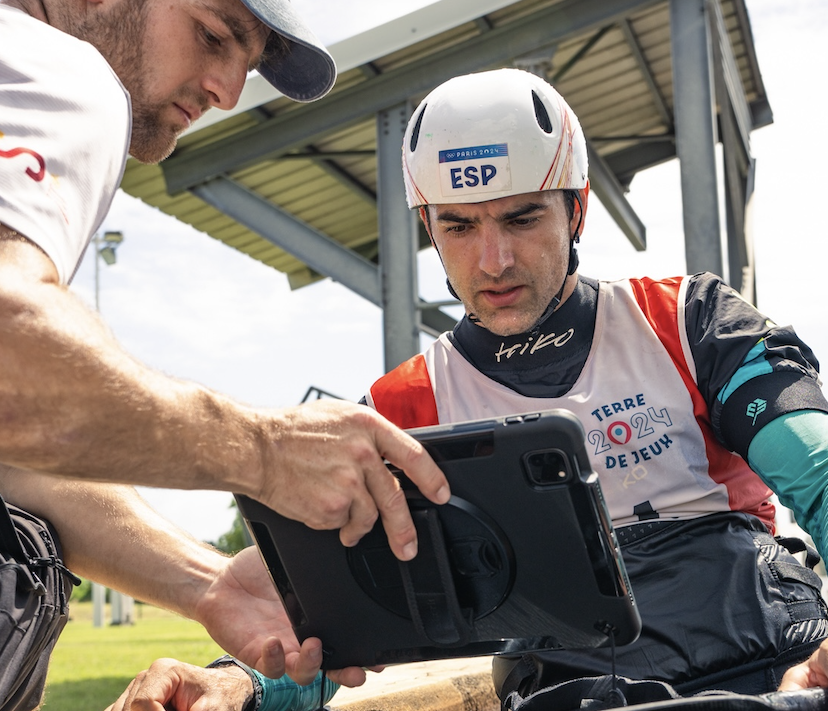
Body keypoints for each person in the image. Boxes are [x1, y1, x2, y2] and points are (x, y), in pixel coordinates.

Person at [99, 67, 828, 711]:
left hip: (766, 664)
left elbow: (818, 477)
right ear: (428, 228)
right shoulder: (402, 407)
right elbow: (338, 619)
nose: (494, 259)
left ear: (576, 211)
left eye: (521, 217)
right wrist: (238, 684)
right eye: (458, 226)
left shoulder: (687, 319)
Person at [0, 0, 450, 707]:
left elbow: (13, 443)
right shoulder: (58, 71)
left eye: (246, 61)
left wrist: (211, 584)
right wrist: (265, 450)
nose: (226, 89)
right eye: (213, 36)